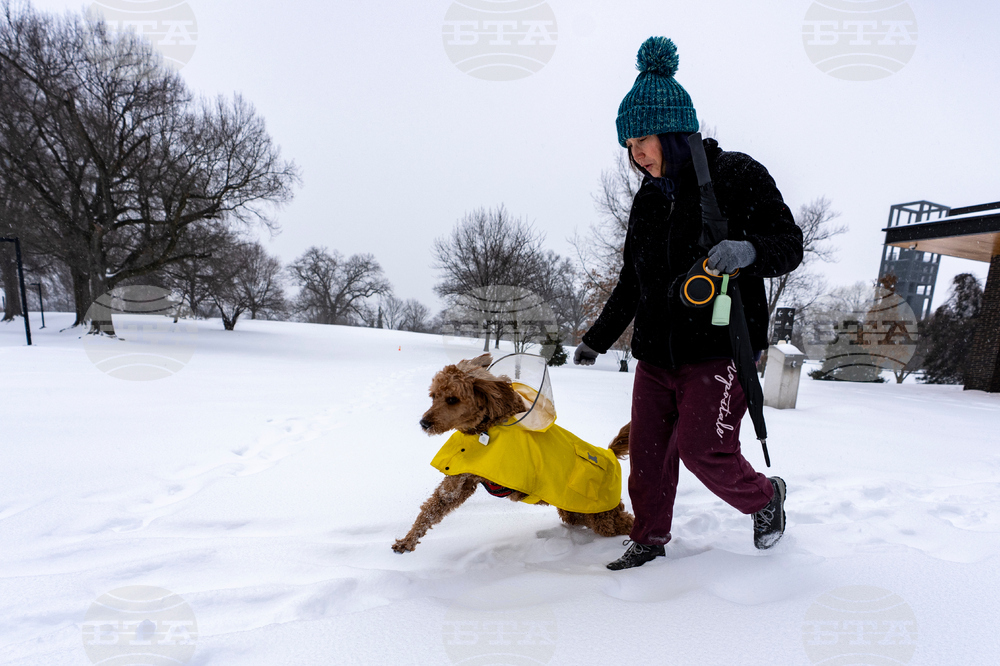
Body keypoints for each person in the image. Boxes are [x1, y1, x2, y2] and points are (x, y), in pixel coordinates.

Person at [574, 36, 804, 571]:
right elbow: (633, 280)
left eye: (642, 141)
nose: (636, 156)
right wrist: (595, 340)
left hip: (720, 350)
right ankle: (649, 538)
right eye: (628, 146)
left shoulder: (737, 175)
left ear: (674, 133)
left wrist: (748, 250)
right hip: (656, 356)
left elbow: (788, 245)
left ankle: (764, 497)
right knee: (648, 461)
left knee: (705, 450)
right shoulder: (647, 199)